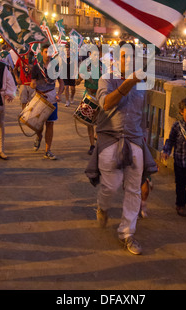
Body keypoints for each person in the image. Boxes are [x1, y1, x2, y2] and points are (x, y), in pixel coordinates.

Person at [94, 41, 148, 255]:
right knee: (112, 185)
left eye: (133, 57)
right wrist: (129, 82)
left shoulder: (143, 83)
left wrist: (145, 143)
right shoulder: (106, 79)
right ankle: (102, 205)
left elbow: (143, 116)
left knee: (134, 189)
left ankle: (127, 233)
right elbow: (106, 103)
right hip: (111, 138)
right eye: (124, 56)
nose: (129, 60)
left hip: (135, 140)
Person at [30, 43, 64, 160]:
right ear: (41, 53)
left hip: (51, 97)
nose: (48, 54)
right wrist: (33, 84)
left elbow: (62, 83)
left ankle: (47, 150)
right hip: (39, 97)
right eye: (46, 52)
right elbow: (32, 83)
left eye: (50, 52)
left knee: (50, 124)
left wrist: (59, 94)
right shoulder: (36, 67)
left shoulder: (56, 67)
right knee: (38, 123)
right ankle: (38, 136)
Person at [76, 49, 102, 155]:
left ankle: (98, 140)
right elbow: (79, 80)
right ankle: (92, 145)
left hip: (100, 95)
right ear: (90, 54)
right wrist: (78, 80)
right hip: (88, 94)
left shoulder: (103, 67)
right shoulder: (86, 66)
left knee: (99, 121)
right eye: (93, 54)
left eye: (97, 54)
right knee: (89, 121)